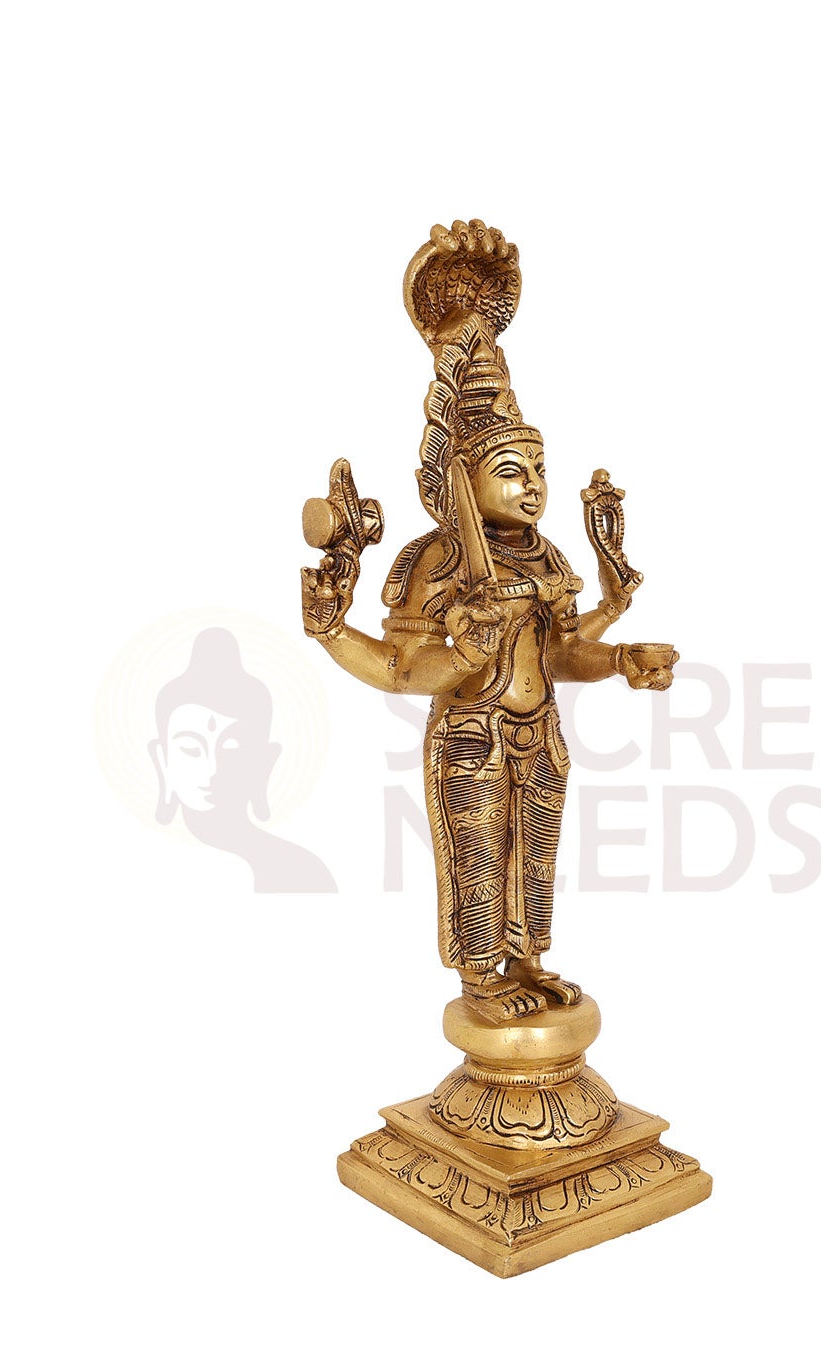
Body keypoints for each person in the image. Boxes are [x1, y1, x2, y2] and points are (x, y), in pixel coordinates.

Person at [301, 221, 674, 1016]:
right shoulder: (436, 561)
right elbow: (402, 670)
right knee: (476, 855)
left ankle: (527, 958)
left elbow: (560, 652)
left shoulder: (544, 555)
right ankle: (479, 975)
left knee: (534, 857)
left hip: (541, 733)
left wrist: (618, 656)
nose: (533, 484)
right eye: (511, 469)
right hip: (474, 733)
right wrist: (339, 630)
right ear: (459, 482)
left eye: (539, 468)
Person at [149, 627, 336, 893]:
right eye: (191, 748)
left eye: (231, 749)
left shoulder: (302, 873)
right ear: (162, 760)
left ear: (264, 763)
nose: (212, 769)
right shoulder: (143, 867)